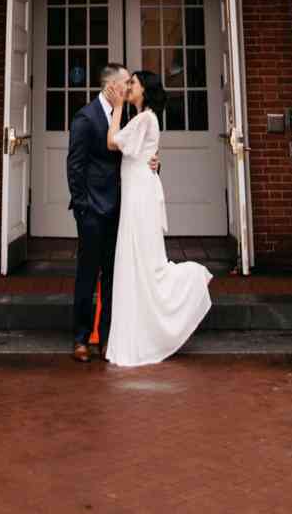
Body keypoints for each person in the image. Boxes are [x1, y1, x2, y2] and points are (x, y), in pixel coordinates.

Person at [103, 68, 212, 367]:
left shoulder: (143, 118)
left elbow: (112, 142)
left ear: (144, 90)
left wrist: (116, 109)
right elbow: (139, 154)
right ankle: (142, 329)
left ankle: (191, 282)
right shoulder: (144, 120)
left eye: (133, 83)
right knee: (137, 260)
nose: (128, 86)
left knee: (144, 261)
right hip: (139, 193)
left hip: (140, 197)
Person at [66, 62, 135, 362]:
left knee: (111, 276)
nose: (129, 89)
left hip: (120, 208)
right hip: (93, 210)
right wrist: (82, 207)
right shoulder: (85, 118)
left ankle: (106, 338)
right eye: (125, 83)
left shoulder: (127, 116)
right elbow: (75, 166)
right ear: (111, 86)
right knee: (87, 274)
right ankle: (81, 338)